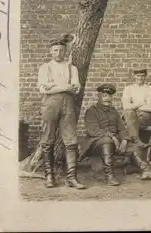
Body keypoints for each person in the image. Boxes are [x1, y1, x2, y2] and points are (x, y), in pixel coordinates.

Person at [79, 84, 151, 186]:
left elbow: (121, 128)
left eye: (109, 96)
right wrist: (112, 137)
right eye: (104, 96)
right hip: (94, 144)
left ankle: (145, 170)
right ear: (98, 97)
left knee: (135, 146)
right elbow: (93, 131)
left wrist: (124, 140)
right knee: (107, 141)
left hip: (114, 143)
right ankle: (110, 176)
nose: (107, 98)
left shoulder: (113, 111)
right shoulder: (92, 111)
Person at [37, 37, 85, 189]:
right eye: (55, 50)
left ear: (65, 51)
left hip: (68, 105)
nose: (58, 53)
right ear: (51, 52)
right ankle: (49, 176)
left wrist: (55, 86)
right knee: (47, 139)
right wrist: (65, 87)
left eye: (61, 50)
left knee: (71, 140)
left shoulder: (72, 68)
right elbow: (43, 88)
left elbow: (76, 88)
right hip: (50, 104)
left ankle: (71, 177)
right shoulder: (45, 68)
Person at [122, 68, 151, 146]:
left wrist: (133, 105)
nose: (140, 78)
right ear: (134, 76)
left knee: (130, 119)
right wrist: (142, 103)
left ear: (145, 76)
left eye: (142, 76)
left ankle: (131, 141)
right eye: (138, 75)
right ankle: (136, 141)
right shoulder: (128, 89)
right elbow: (125, 106)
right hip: (130, 115)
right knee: (128, 112)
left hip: (144, 116)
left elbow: (149, 108)